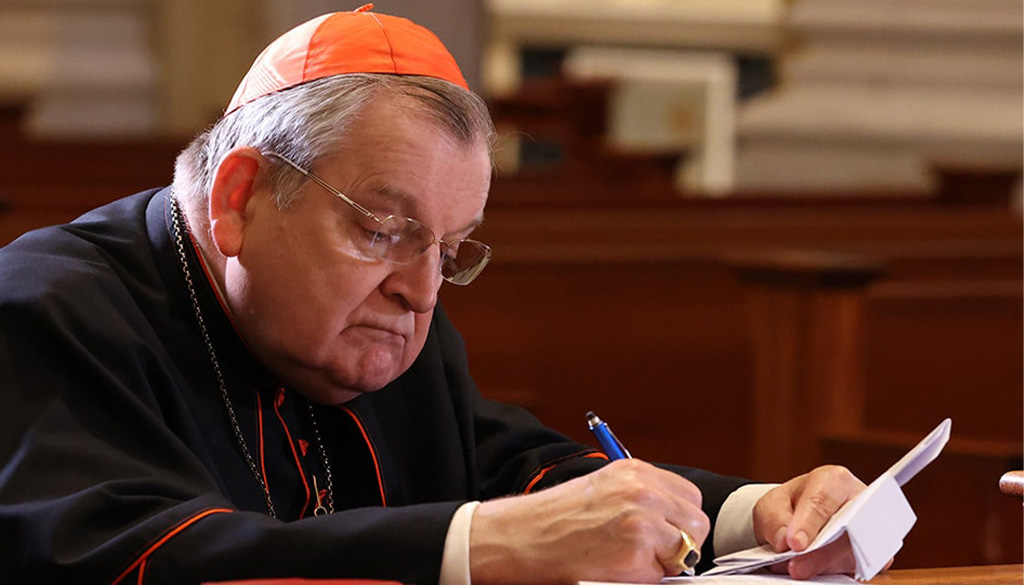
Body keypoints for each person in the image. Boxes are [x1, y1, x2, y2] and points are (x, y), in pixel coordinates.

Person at [0, 6, 874, 585]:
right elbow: (123, 561)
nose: (421, 291)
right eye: (382, 229)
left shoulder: (377, 315)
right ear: (239, 200)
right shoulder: (47, 311)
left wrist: (752, 514)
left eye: (450, 249)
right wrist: (488, 544)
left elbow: (507, 464)